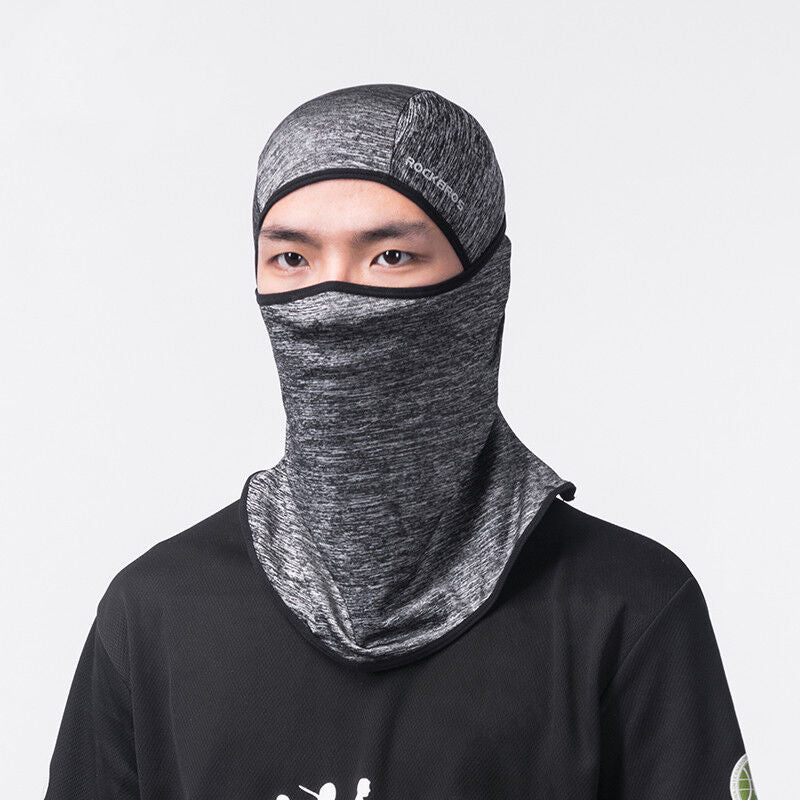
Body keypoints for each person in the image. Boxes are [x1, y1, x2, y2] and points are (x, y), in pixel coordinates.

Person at [43, 83, 758, 799]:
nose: (332, 302)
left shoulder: (629, 610)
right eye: (291, 259)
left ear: (485, 283)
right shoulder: (153, 617)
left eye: (389, 256)